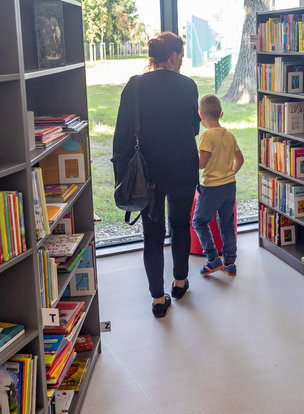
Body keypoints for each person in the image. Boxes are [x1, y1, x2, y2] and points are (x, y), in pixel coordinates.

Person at [112, 32, 201, 318]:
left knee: (151, 233)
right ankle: (179, 281)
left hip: (146, 172)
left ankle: (157, 298)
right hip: (182, 166)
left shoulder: (135, 86)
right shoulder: (187, 85)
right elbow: (194, 127)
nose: (183, 61)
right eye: (182, 55)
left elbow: (122, 134)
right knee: (179, 223)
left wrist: (121, 174)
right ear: (174, 55)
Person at [192, 94, 244, 277]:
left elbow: (202, 163)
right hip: (229, 185)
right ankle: (230, 263)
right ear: (221, 114)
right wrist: (230, 173)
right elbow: (240, 159)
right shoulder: (229, 135)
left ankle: (213, 259)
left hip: (212, 187)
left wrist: (189, 158)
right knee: (227, 225)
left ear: (200, 115)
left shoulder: (207, 135)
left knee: (199, 221)